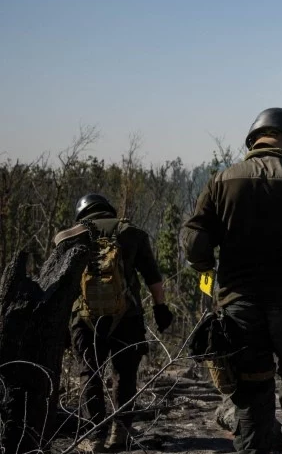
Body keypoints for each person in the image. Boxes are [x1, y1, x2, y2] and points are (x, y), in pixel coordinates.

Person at [181, 107, 282, 454]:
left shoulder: (222, 180)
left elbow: (195, 242)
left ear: (254, 139)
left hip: (240, 302)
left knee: (252, 382)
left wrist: (207, 265)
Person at [54, 193, 174, 452]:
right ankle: (120, 432)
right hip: (127, 318)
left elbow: (58, 288)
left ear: (81, 214)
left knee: (89, 373)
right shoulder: (132, 233)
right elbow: (153, 277)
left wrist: (61, 326)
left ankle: (95, 434)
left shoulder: (67, 238)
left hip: (83, 321)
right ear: (108, 210)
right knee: (125, 375)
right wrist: (160, 308)